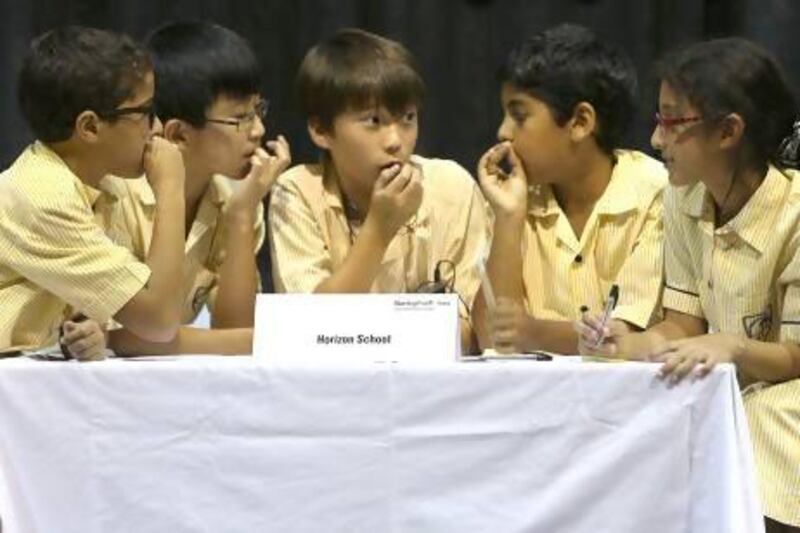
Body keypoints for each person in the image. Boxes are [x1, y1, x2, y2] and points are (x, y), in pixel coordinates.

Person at [577, 38, 800, 532]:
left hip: (785, 391)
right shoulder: (683, 200)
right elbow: (681, 324)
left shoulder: (795, 213)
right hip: (729, 385)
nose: (656, 140)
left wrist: (734, 348)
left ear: (728, 132)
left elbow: (796, 356)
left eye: (671, 121)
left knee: (761, 424)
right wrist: (629, 343)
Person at [269, 28, 490, 352]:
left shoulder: (451, 185)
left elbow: (475, 333)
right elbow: (311, 331)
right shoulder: (296, 192)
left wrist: (371, 332)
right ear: (320, 130)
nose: (395, 141)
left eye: (408, 118)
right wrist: (379, 228)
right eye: (373, 121)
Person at [473, 24, 667, 355]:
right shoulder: (516, 200)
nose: (503, 131)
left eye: (519, 116)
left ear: (580, 122)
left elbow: (625, 338)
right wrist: (508, 217)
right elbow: (494, 341)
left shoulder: (655, 194)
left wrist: (535, 334)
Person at [0, 26, 186, 360]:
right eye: (145, 113)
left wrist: (91, 332)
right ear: (90, 127)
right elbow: (160, 320)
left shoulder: (107, 182)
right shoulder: (44, 196)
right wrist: (172, 190)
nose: (156, 128)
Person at [106, 22, 290, 355]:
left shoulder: (233, 198)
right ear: (178, 135)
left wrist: (241, 216)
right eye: (240, 118)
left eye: (258, 110)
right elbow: (116, 339)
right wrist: (254, 342)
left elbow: (235, 329)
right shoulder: (113, 197)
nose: (259, 130)